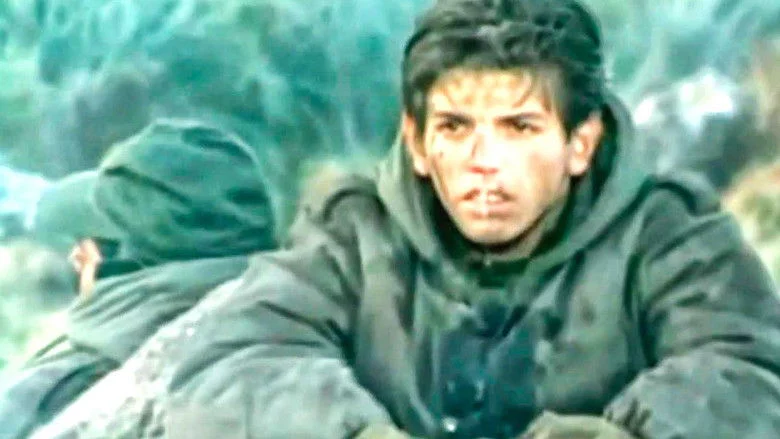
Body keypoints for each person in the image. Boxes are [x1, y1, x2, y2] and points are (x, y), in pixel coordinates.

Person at [32, 1, 780, 438]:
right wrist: (355, 433)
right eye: (455, 128)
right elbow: (236, 355)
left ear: (580, 143)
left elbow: (745, 368)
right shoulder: (354, 235)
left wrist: (618, 436)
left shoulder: (671, 236)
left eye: (519, 128)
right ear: (418, 143)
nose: (483, 162)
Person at [0, 118, 276, 439]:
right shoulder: (303, 364)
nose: (75, 256)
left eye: (86, 242)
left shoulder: (56, 397)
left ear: (120, 258)